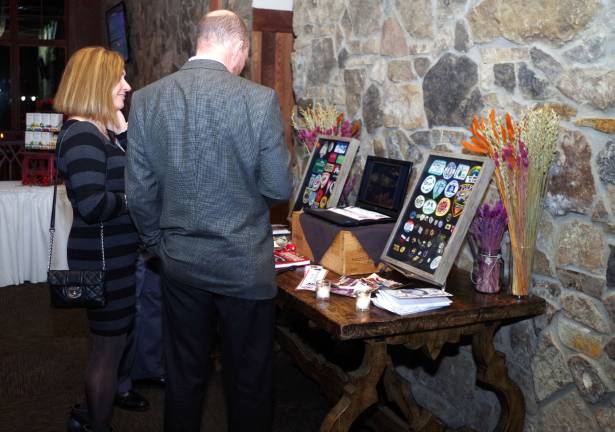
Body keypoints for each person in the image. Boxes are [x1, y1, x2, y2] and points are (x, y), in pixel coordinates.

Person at [125, 9, 292, 432]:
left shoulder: (147, 100)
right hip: (244, 266)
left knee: (183, 379)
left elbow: (139, 193)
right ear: (237, 46)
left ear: (199, 41)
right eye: (245, 56)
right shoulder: (258, 101)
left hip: (180, 263)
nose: (243, 64)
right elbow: (277, 188)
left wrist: (158, 246)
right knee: (249, 383)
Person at [53, 46, 149, 432]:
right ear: (97, 83)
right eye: (119, 78)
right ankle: (97, 425)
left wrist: (123, 131)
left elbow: (127, 172)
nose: (126, 86)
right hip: (104, 262)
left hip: (114, 258)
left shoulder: (97, 132)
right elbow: (93, 204)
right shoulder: (81, 136)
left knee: (112, 346)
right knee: (107, 353)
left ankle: (93, 420)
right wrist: (134, 200)